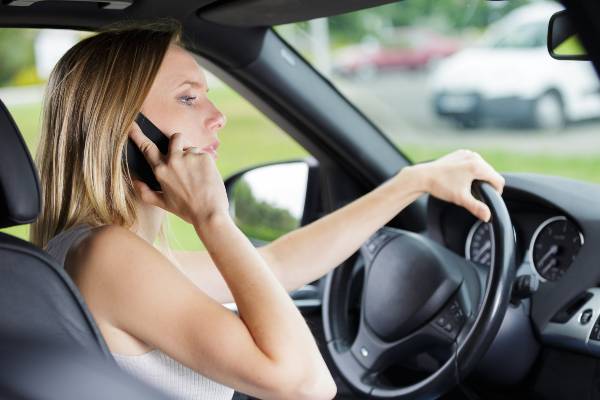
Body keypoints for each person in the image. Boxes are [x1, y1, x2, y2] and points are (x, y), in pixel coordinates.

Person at [30, 19, 505, 400]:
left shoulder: (91, 249)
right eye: (188, 97)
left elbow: (277, 264)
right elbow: (305, 384)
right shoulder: (110, 256)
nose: (218, 116)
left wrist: (411, 181)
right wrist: (212, 218)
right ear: (125, 131)